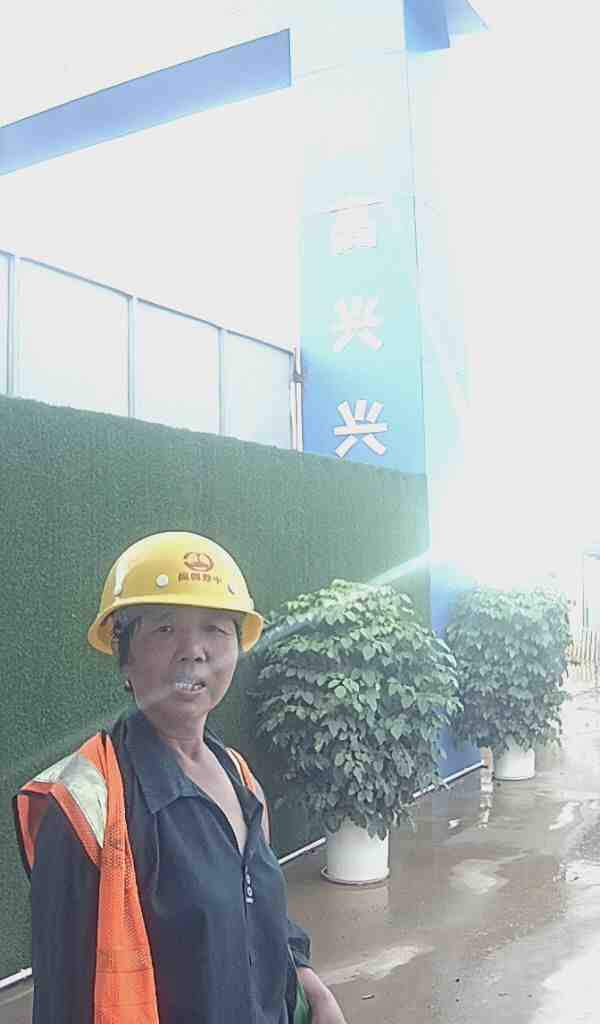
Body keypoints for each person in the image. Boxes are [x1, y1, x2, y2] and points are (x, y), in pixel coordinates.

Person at [15, 531, 347, 1024]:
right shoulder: (89, 810)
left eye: (216, 628)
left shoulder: (241, 779)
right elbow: (64, 1000)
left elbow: (258, 912)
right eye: (165, 629)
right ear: (124, 654)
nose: (194, 650)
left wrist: (310, 986)